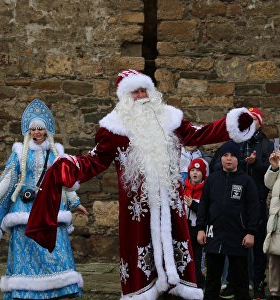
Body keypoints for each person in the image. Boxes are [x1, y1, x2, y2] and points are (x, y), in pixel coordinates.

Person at [25, 69, 256, 300]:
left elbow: (199, 134)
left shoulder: (170, 119)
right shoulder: (113, 129)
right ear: (125, 98)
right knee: (142, 279)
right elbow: (93, 161)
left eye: (144, 89)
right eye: (135, 92)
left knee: (178, 279)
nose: (141, 95)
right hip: (138, 217)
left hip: (172, 213)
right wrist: (66, 167)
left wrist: (233, 124)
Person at [0, 98, 87, 300]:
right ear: (28, 131)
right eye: (33, 130)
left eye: (40, 129)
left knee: (54, 247)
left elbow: (64, 182)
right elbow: (8, 179)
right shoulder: (19, 152)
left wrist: (76, 203)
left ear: (46, 129)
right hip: (24, 208)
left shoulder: (56, 154)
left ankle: (60, 288)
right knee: (26, 247)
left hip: (49, 206)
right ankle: (25, 290)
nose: (36, 133)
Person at [216, 108, 274, 300]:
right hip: (233, 201)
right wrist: (239, 163)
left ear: (259, 122)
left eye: (253, 120)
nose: (249, 123)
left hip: (256, 200)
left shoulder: (267, 143)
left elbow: (273, 168)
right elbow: (216, 164)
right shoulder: (233, 141)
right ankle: (233, 283)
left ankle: (258, 285)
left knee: (257, 246)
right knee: (233, 243)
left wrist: (255, 164)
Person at [197, 140, 260, 300]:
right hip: (213, 236)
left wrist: (251, 232)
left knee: (240, 281)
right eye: (225, 155)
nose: (229, 159)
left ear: (238, 158)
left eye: (232, 155)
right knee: (212, 280)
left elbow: (254, 209)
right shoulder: (212, 180)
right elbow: (203, 205)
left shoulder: (246, 181)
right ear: (221, 159)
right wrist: (200, 228)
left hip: (238, 237)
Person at [183, 158, 209, 289]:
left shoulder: (206, 190)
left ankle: (199, 283)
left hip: (197, 230)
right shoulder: (183, 188)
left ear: (203, 174)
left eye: (198, 171)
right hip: (184, 229)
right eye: (192, 170)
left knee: (198, 259)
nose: (195, 173)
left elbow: (206, 212)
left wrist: (193, 204)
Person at [263, 150, 280, 300]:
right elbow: (268, 183)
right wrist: (274, 167)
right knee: (275, 255)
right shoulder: (278, 163)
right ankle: (274, 291)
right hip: (278, 217)